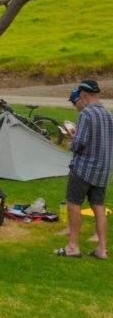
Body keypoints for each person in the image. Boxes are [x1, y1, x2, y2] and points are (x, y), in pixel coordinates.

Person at [55, 80, 113, 260]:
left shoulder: (86, 114)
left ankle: (73, 246)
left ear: (85, 94)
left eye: (80, 94)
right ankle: (102, 250)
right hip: (103, 169)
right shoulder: (108, 113)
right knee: (98, 206)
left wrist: (71, 139)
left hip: (84, 168)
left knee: (74, 204)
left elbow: (79, 143)